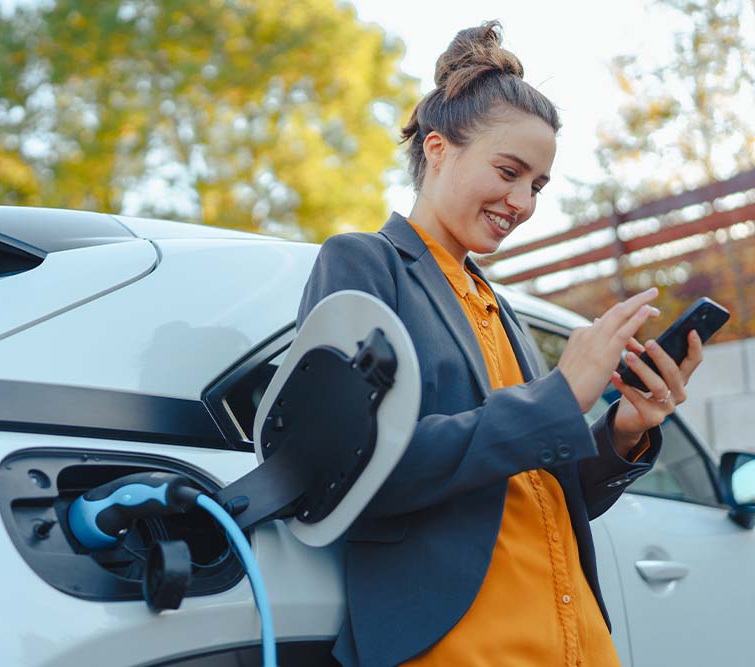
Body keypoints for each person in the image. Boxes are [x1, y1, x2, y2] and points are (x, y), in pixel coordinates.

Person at [296, 21, 704, 667]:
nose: (522, 202)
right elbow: (355, 468)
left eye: (538, 186)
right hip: (463, 642)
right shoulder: (362, 262)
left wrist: (625, 429)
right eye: (509, 171)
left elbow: (545, 491)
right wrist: (561, 393)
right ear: (438, 148)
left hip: (577, 638)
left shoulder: (500, 307)